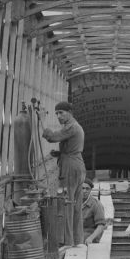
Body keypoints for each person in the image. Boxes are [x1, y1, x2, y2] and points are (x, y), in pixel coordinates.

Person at [42, 101, 86, 245]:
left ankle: (68, 242)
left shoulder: (71, 127)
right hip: (77, 164)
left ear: (69, 113)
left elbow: (52, 137)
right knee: (76, 205)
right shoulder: (76, 127)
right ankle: (78, 240)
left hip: (70, 167)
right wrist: (61, 153)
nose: (58, 116)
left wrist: (41, 123)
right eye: (56, 113)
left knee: (66, 203)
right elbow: (71, 146)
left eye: (61, 113)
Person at [81, 179, 109, 244]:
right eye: (82, 188)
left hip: (90, 235)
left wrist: (91, 238)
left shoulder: (96, 204)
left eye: (87, 189)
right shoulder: (74, 203)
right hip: (77, 234)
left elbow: (101, 225)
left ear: (90, 190)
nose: (84, 191)